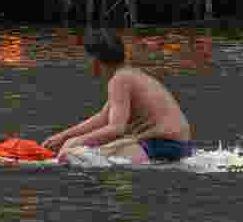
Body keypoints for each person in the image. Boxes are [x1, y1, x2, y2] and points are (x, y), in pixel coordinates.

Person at [42, 30, 193, 164]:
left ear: (95, 60)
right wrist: (62, 137)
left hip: (162, 145)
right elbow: (103, 117)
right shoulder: (129, 74)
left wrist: (77, 142)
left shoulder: (119, 80)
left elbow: (116, 128)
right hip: (181, 145)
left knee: (70, 155)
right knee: (75, 146)